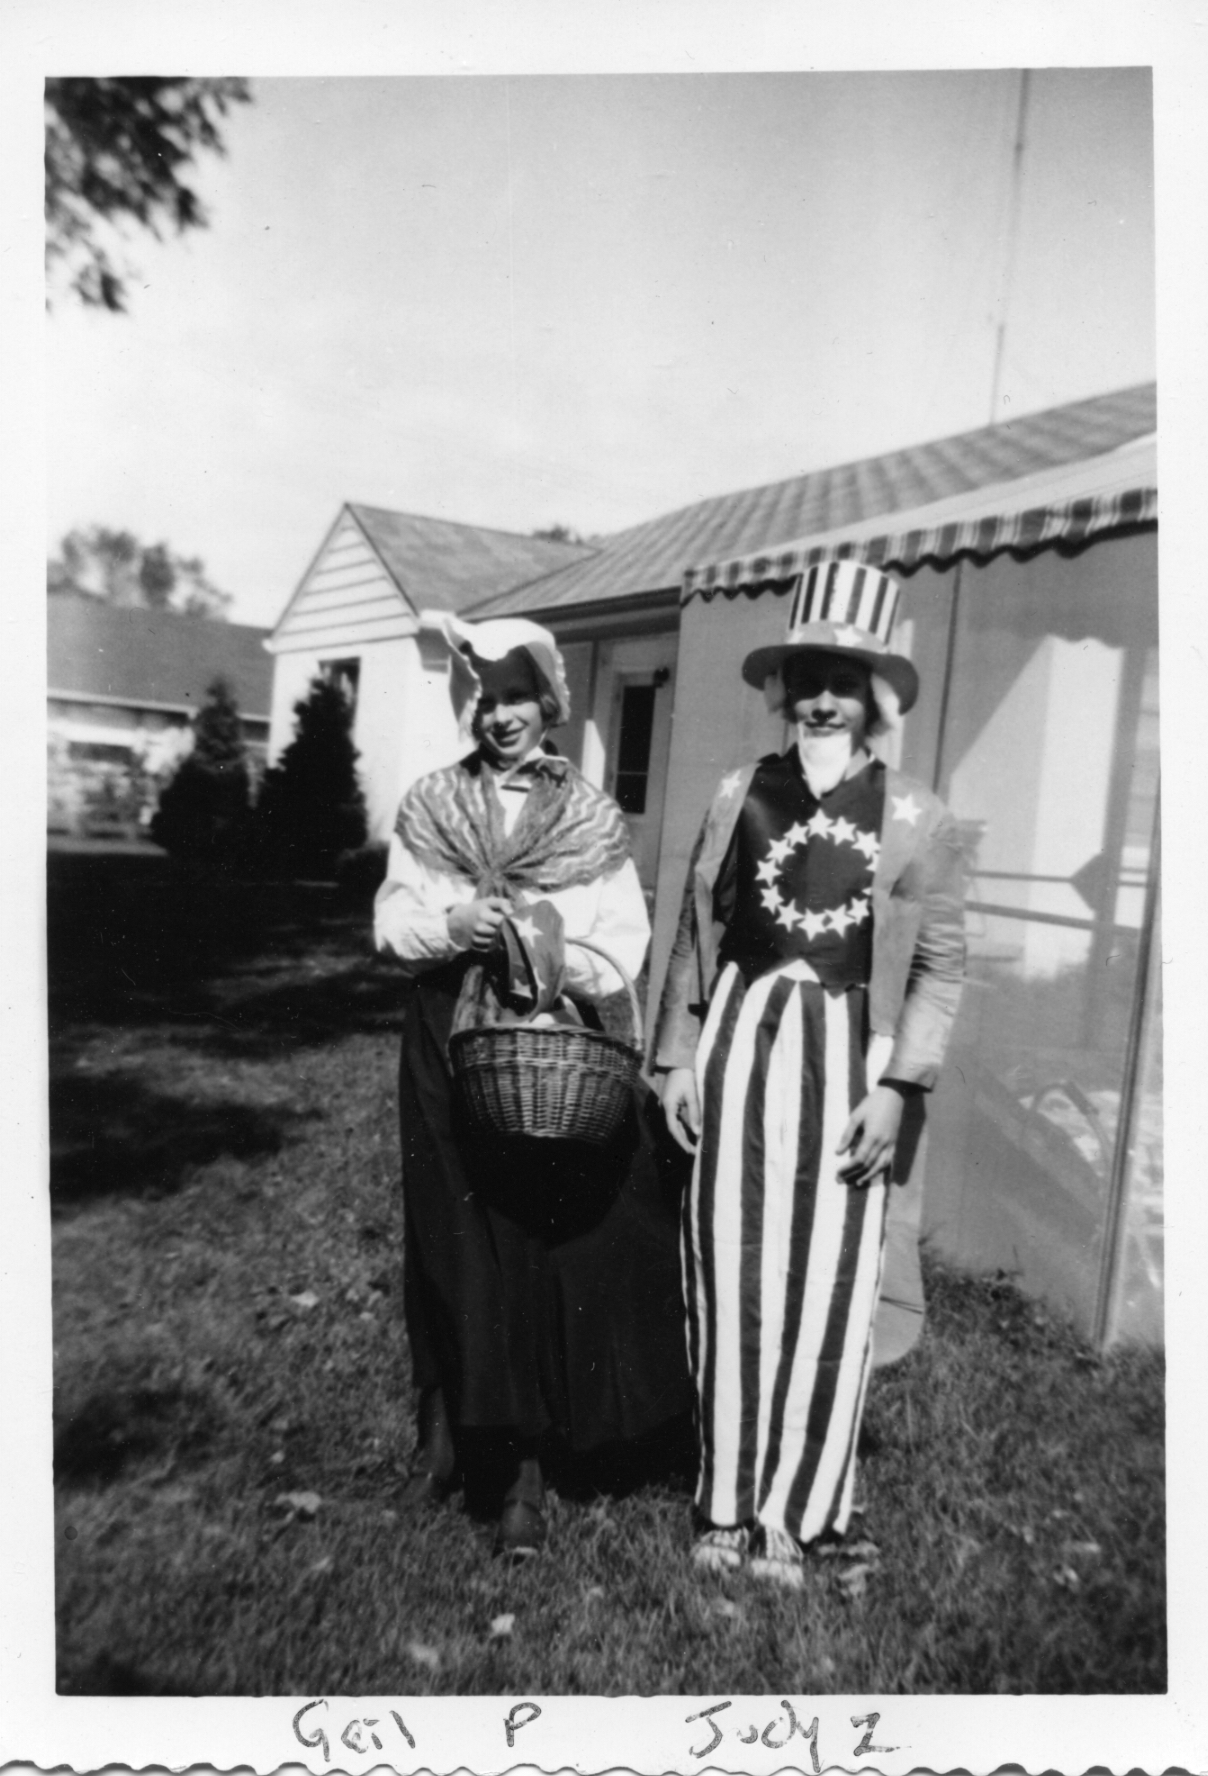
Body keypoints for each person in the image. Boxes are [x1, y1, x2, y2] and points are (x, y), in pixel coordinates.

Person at [653, 558, 965, 1588]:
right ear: (781, 688)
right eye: (805, 674)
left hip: (849, 1059)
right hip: (742, 1043)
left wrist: (899, 1087)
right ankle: (726, 1502)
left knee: (829, 1283)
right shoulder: (737, 791)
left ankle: (801, 1508)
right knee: (729, 1261)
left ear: (874, 696)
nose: (821, 696)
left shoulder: (915, 814)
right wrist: (677, 1060)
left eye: (843, 676)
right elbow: (695, 935)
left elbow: (936, 964)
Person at [375, 614, 692, 1558]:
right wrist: (458, 924)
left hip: (543, 1042)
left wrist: (556, 956)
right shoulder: (435, 804)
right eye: (487, 696)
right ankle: (449, 1427)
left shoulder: (589, 819)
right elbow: (395, 924)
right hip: (445, 1032)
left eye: (518, 695)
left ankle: (521, 1468)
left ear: (550, 704)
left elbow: (622, 947)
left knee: (526, 1237)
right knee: (448, 1227)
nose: (501, 714)